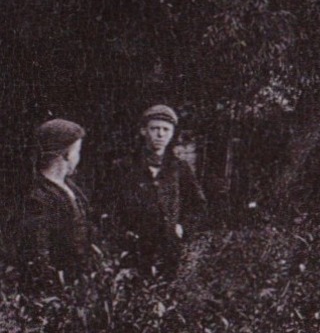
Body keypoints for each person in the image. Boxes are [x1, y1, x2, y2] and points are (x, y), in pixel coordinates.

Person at [112, 104, 206, 277]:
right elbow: (107, 207)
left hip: (169, 249)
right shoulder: (123, 167)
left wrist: (182, 227)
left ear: (172, 134)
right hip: (133, 250)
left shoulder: (179, 168)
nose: (160, 134)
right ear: (143, 131)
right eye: (154, 128)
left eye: (166, 129)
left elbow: (197, 204)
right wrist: (121, 233)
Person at [20, 118, 94, 283]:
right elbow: (39, 255)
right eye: (77, 151)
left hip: (80, 285)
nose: (78, 157)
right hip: (58, 291)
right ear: (67, 154)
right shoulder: (38, 197)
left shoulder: (71, 188)